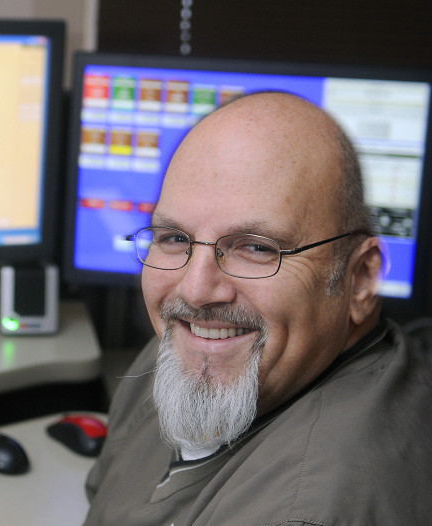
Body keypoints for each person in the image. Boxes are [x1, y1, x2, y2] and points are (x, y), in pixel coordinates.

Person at [83, 91, 432, 525]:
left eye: (255, 247)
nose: (194, 291)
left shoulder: (311, 507)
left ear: (359, 278)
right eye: (174, 238)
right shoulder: (190, 351)